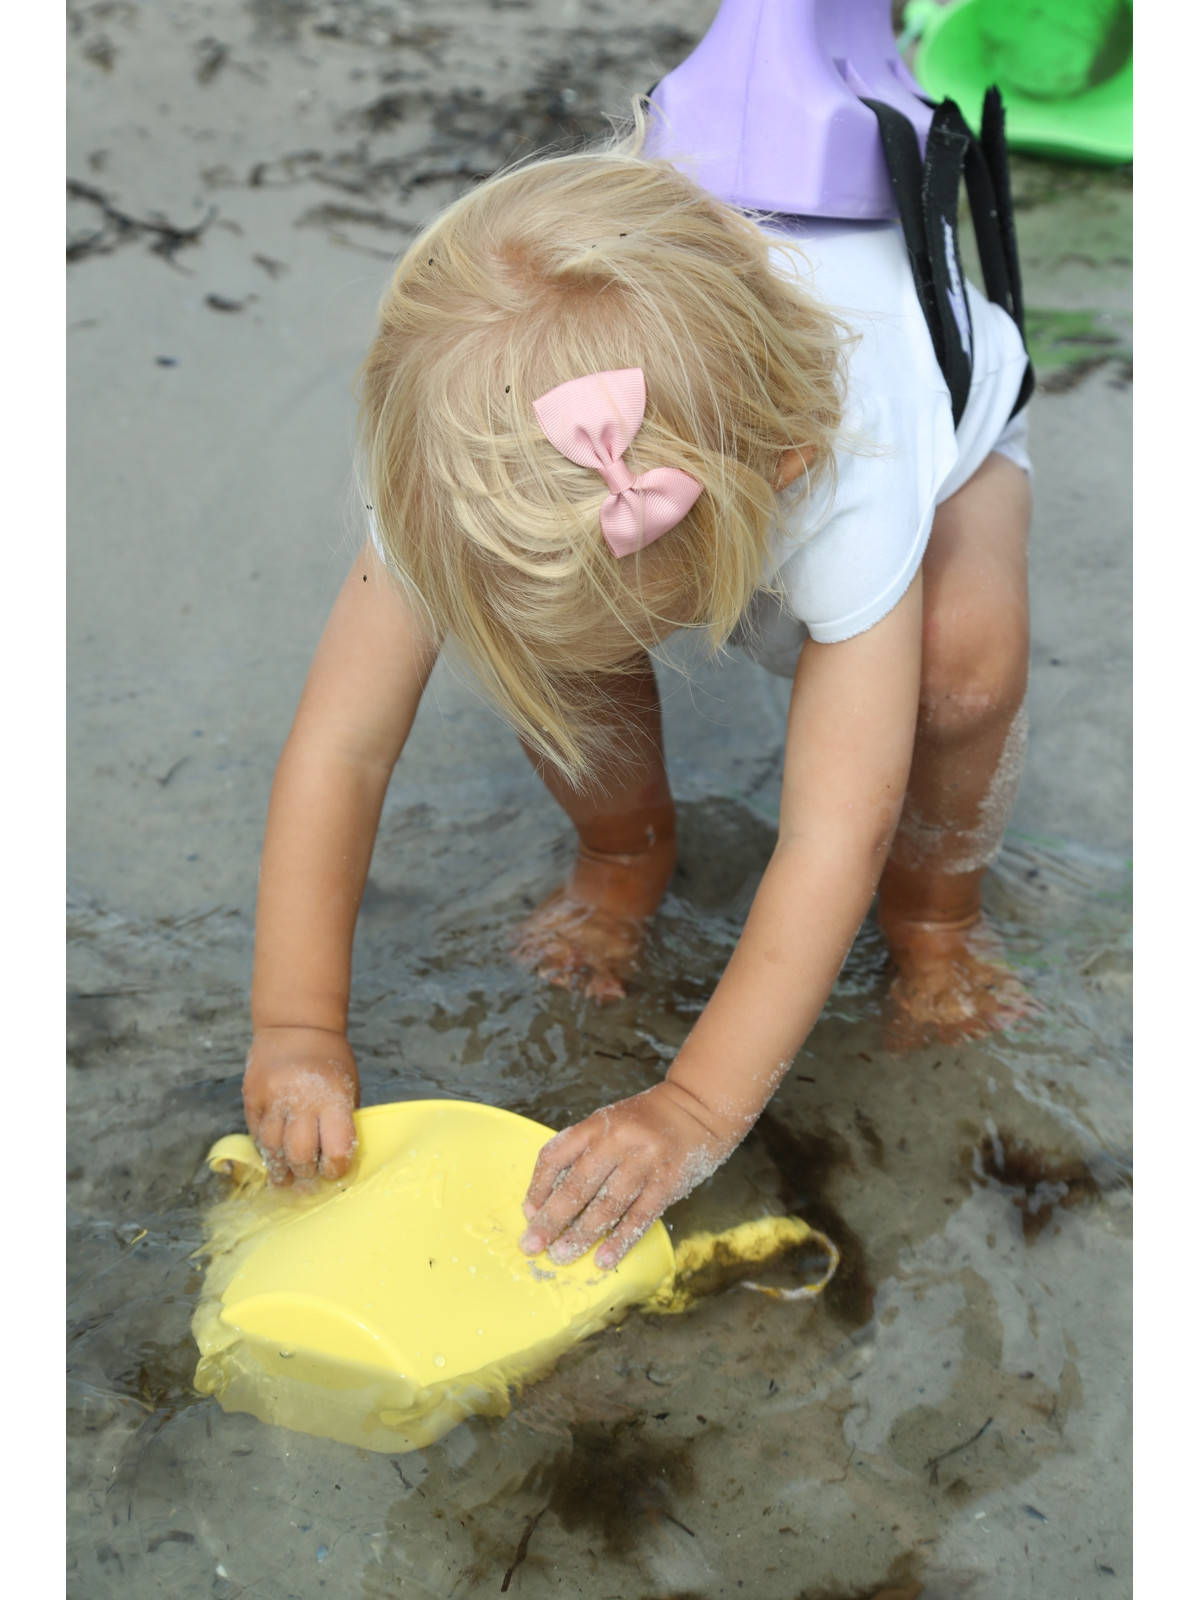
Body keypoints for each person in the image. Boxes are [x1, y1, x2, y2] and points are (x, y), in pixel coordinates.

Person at [243, 120, 1033, 1272]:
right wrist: (296, 1028)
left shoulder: (850, 474)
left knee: (962, 673)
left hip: (941, 426)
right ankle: (622, 855)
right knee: (547, 630)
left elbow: (831, 833)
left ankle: (940, 927)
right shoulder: (457, 463)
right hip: (664, 465)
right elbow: (342, 750)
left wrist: (695, 1109)